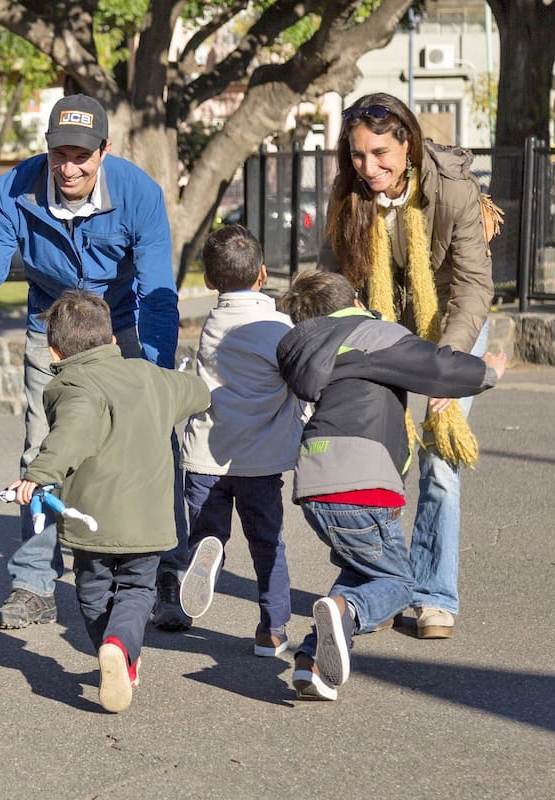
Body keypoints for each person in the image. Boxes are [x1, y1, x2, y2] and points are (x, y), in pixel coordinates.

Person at [0, 93, 192, 631]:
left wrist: (158, 374)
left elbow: (159, 292)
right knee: (42, 450)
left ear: (105, 150)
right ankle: (34, 583)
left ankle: (166, 570)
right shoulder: (16, 189)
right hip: (49, 327)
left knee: (149, 442)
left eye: (81, 155)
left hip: (122, 325)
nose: (68, 167)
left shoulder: (139, 193)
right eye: (59, 154)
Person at [276, 271, 506, 700]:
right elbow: (436, 366)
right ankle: (348, 614)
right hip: (363, 484)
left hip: (314, 483)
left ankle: (311, 665)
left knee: (361, 570)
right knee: (400, 585)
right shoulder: (370, 334)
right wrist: (487, 372)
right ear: (357, 300)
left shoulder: (301, 347)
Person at [320, 92, 498, 639]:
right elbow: (333, 284)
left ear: (407, 143)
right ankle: (378, 585)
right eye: (356, 156)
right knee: (377, 456)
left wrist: (449, 366)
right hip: (383, 327)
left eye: (379, 154)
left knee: (440, 460)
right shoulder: (350, 195)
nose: (368, 168)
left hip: (451, 323)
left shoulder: (452, 190)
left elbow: (473, 287)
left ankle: (434, 594)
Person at [7, 290, 208, 712]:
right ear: (113, 341)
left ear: (55, 349)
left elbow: (67, 437)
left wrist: (39, 475)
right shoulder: (151, 376)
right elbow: (196, 392)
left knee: (93, 592)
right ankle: (120, 649)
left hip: (91, 522)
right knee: (137, 590)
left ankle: (111, 651)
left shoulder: (71, 385)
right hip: (150, 522)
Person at [176, 225, 302, 657]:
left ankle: (206, 551)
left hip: (205, 457)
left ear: (209, 282)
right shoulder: (279, 327)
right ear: (263, 274)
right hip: (259, 462)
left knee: (209, 530)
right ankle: (272, 629)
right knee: (268, 545)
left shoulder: (213, 324)